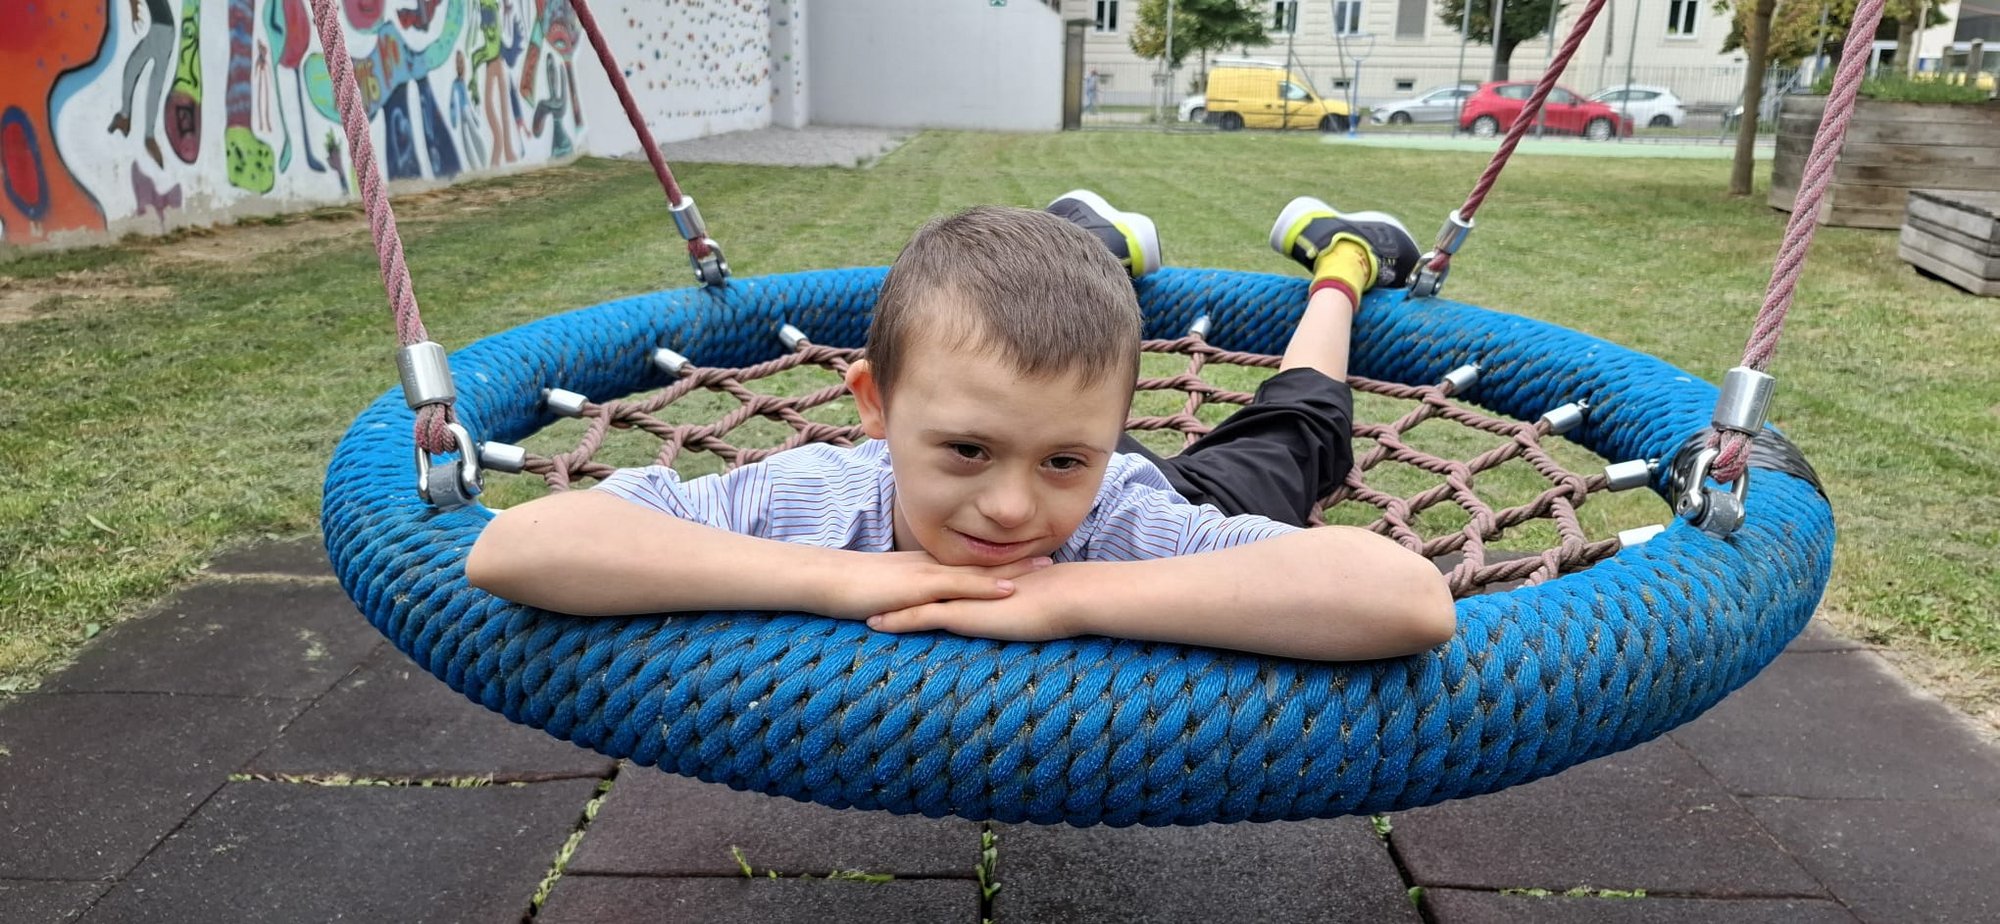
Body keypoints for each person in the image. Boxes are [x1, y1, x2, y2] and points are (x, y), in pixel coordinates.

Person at [467, 193, 1455, 661]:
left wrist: (1070, 595)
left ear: (1119, 427)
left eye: (1060, 459)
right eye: (965, 450)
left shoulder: (1128, 516)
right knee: (1032, 398)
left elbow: (1406, 601)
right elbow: (522, 547)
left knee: (1297, 425)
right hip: (1078, 453)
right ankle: (1083, 240)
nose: (1010, 509)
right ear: (874, 405)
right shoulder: (814, 498)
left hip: (1145, 500)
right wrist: (837, 577)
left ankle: (1343, 263)